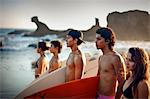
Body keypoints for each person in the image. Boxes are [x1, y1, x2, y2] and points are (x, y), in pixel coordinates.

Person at [95, 27, 126, 99]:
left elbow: (122, 82)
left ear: (107, 41)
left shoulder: (115, 58)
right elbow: (98, 78)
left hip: (109, 97)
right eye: (96, 39)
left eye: (99, 39)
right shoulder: (101, 58)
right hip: (98, 95)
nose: (95, 41)